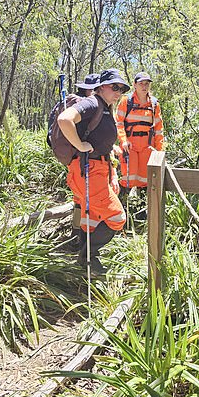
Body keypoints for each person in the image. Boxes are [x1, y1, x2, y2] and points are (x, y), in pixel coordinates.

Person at [57, 69, 128, 273]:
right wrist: (79, 145)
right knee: (117, 218)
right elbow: (64, 119)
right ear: (101, 86)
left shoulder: (105, 107)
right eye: (114, 87)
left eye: (121, 89)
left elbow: (97, 135)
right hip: (88, 170)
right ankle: (88, 256)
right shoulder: (92, 103)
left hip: (98, 168)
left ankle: (86, 264)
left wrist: (110, 148)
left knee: (93, 217)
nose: (118, 91)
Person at [115, 71, 164, 219]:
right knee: (126, 180)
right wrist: (123, 141)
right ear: (135, 85)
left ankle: (140, 216)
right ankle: (120, 215)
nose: (144, 86)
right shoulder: (126, 101)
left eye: (147, 84)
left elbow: (158, 129)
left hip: (146, 149)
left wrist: (159, 152)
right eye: (141, 83)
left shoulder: (154, 104)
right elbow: (118, 123)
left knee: (145, 182)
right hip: (129, 148)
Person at [68, 73, 101, 250]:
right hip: (81, 163)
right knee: (84, 200)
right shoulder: (86, 107)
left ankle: (78, 237)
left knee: (80, 199)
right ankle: (81, 241)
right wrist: (81, 146)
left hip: (75, 162)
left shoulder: (84, 104)